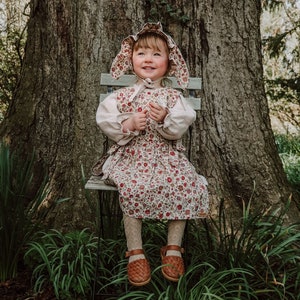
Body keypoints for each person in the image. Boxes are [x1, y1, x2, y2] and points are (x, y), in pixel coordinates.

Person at [95, 22, 209, 286]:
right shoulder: (122, 96)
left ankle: (172, 248)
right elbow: (105, 119)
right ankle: (135, 251)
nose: (148, 59)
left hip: (166, 158)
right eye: (142, 53)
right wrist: (129, 124)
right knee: (133, 186)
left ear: (169, 63)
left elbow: (183, 122)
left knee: (187, 186)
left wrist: (167, 118)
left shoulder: (172, 96)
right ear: (131, 59)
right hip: (132, 157)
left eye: (157, 54)